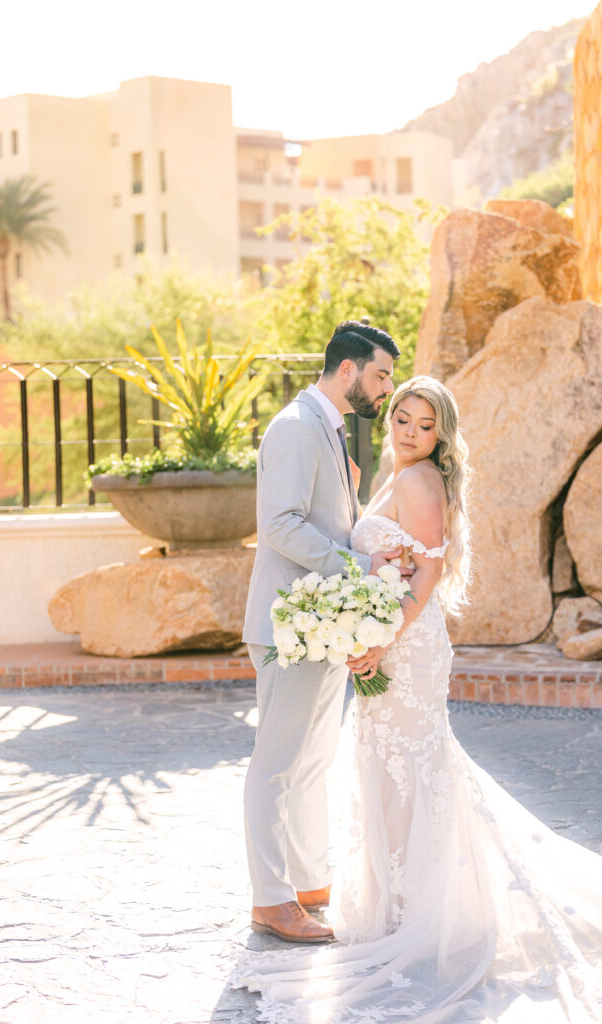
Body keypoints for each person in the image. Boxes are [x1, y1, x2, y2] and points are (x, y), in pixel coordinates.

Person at [233, 375, 602, 1022]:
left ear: (441, 435)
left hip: (406, 645)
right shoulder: (395, 472)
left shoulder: (415, 481)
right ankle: (402, 907)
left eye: (423, 425)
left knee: (414, 769)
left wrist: (379, 638)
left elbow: (427, 572)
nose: (408, 431)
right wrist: (361, 625)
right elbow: (395, 561)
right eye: (401, 418)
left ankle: (427, 916)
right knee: (389, 768)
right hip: (387, 640)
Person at [241, 320, 405, 945]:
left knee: (312, 763)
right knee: (277, 766)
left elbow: (331, 521)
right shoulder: (294, 427)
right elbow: (279, 524)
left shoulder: (330, 427)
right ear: (348, 371)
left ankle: (309, 886)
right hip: (290, 625)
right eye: (381, 374)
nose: (387, 387)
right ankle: (271, 899)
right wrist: (361, 568)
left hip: (322, 625)